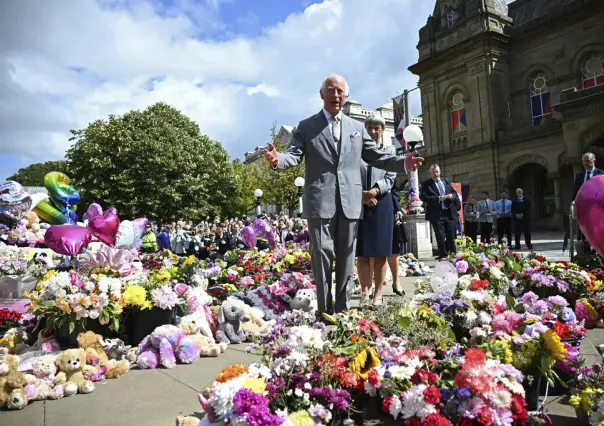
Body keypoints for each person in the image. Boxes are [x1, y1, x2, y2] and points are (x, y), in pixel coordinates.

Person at [263, 74, 423, 315]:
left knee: (348, 259)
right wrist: (277, 160)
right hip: (320, 201)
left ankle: (342, 309)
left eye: (339, 91)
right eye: (330, 90)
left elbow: (377, 156)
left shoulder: (357, 128)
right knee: (322, 255)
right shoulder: (307, 126)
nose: (335, 95)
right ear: (321, 94)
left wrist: (403, 163)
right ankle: (324, 310)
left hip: (350, 202)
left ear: (345, 96)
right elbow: (293, 155)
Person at [355, 114, 397, 307]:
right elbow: (350, 174)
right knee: (362, 253)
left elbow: (390, 177)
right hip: (359, 203)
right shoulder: (357, 152)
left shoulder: (389, 151)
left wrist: (374, 191)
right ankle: (364, 292)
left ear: (382, 129)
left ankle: (378, 294)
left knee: (380, 253)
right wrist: (362, 194)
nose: (373, 131)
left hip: (382, 204)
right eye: (369, 127)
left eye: (376, 128)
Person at [420, 164, 460, 260]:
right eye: (433, 172)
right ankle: (443, 255)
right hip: (436, 214)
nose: (435, 174)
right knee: (440, 236)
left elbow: (455, 193)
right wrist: (438, 198)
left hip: (449, 212)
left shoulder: (446, 181)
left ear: (440, 171)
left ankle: (454, 254)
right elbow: (423, 197)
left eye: (437, 172)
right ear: (430, 173)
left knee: (451, 235)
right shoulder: (426, 184)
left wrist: (451, 196)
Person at [389, 181, 407, 296]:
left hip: (389, 210)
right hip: (367, 208)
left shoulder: (387, 166)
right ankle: (371, 286)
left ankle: (396, 282)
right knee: (371, 252)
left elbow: (394, 189)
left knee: (393, 249)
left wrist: (398, 208)